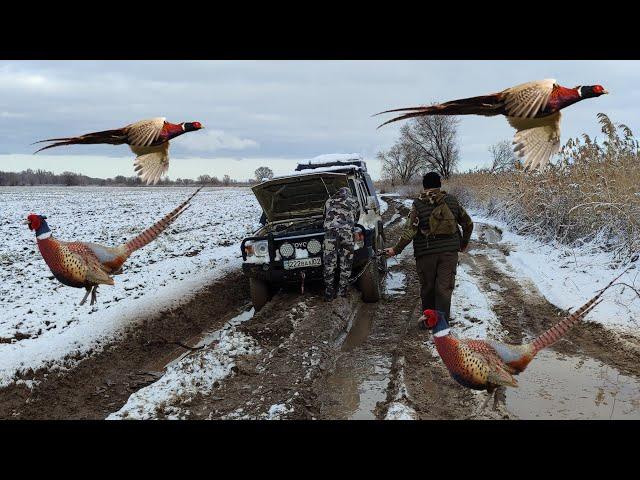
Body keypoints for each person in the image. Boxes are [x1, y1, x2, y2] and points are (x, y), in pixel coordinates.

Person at [384, 172, 473, 321]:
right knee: (444, 288)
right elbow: (468, 224)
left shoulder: (418, 204)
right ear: (439, 184)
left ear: (424, 185)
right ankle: (442, 323)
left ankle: (430, 320)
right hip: (449, 253)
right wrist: (462, 244)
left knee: (428, 288)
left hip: (425, 254)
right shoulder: (451, 201)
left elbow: (410, 231)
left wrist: (396, 249)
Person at [323, 186, 359, 300]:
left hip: (330, 234)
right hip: (346, 234)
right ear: (348, 193)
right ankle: (342, 291)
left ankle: (329, 292)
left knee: (329, 263)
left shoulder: (329, 201)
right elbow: (357, 217)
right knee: (346, 262)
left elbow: (324, 216)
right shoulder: (353, 200)